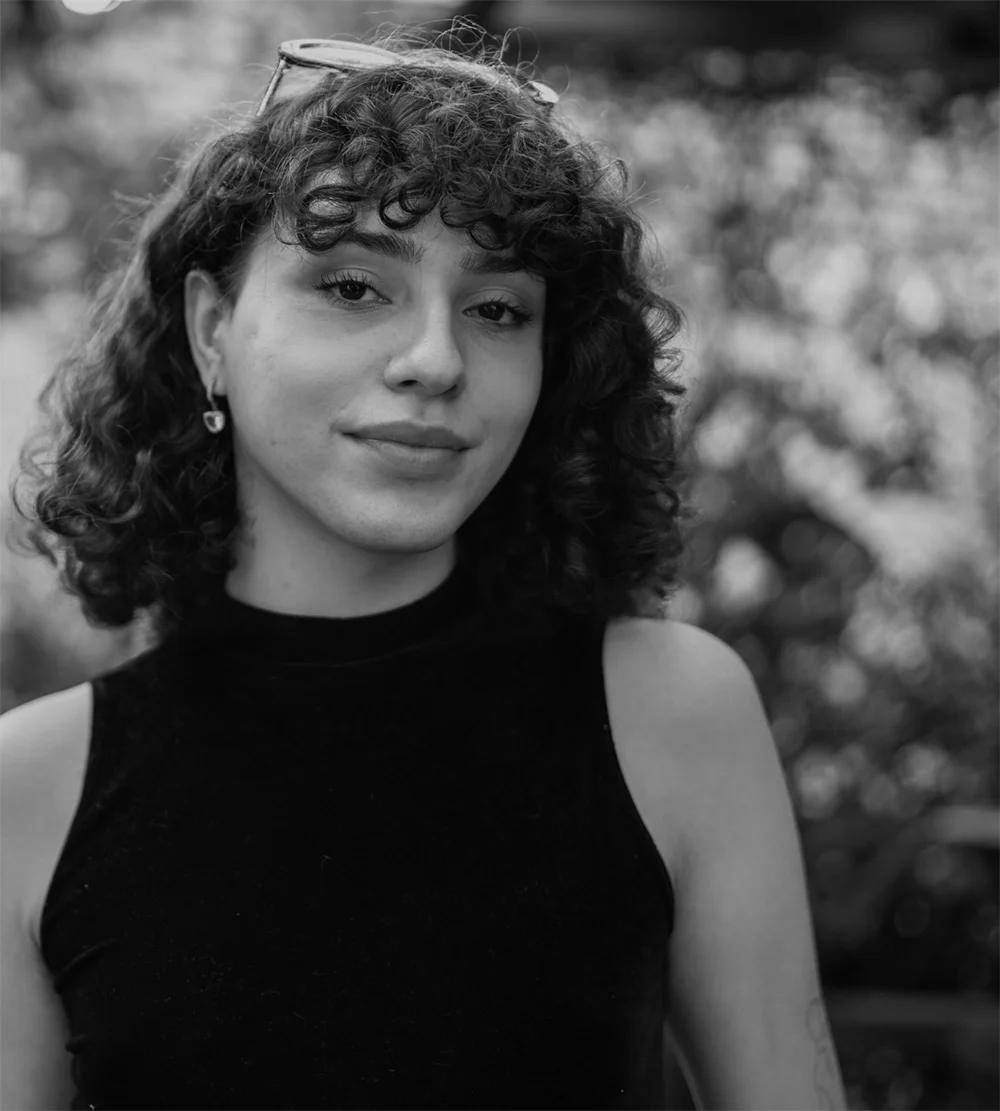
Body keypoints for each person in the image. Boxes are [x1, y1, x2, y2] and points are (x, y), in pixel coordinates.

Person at [0, 26, 847, 1111]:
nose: (436, 361)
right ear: (212, 328)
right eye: (353, 287)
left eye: (497, 309)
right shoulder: (32, 790)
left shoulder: (670, 714)